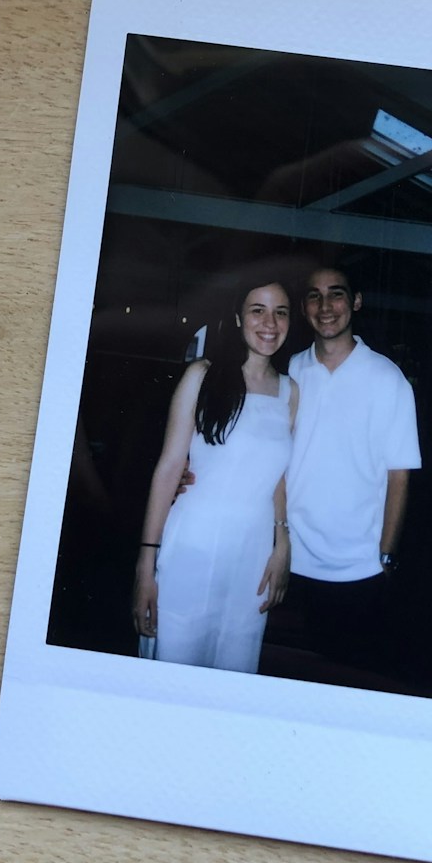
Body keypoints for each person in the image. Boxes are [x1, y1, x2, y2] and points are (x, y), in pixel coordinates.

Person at [130, 279, 296, 672]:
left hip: (252, 557)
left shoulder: (292, 392)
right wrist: (145, 566)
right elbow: (169, 468)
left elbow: (276, 474)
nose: (269, 322)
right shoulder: (202, 375)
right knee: (174, 664)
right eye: (258, 309)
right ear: (238, 318)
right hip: (192, 545)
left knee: (234, 667)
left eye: (280, 312)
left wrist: (283, 544)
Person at [281, 264, 420, 675]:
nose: (325, 306)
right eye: (314, 295)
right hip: (289, 557)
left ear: (355, 302)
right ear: (304, 307)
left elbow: (400, 476)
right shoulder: (290, 370)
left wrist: (386, 556)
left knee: (342, 678)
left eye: (336, 294)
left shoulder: (387, 379)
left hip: (358, 567)